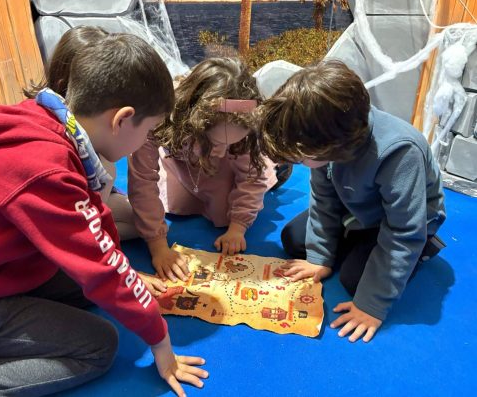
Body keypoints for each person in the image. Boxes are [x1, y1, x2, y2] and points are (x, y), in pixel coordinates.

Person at [0, 33, 208, 397]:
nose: (146, 140)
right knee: (99, 345)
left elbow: (93, 235)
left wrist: (128, 277)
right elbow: (102, 267)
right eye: (149, 130)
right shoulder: (46, 167)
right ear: (122, 119)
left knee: (81, 286)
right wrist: (161, 342)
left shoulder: (48, 123)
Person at [259, 60, 446, 343]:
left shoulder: (399, 152)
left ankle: (423, 249)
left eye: (302, 158)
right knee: (295, 240)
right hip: (355, 204)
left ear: (334, 145)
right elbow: (323, 198)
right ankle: (353, 241)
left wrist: (372, 305)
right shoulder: (325, 139)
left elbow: (404, 231)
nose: (299, 163)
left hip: (403, 221)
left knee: (355, 281)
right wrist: (319, 257)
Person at [128, 57, 277, 282]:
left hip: (228, 166)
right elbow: (142, 180)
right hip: (182, 163)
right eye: (215, 142)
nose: (220, 150)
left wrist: (237, 228)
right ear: (192, 122)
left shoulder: (243, 129)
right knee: (176, 205)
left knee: (225, 212)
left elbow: (250, 176)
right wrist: (158, 246)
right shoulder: (160, 117)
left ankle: (275, 168)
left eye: (231, 143)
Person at [25, 25, 138, 241]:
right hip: (70, 211)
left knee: (142, 222)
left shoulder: (96, 133)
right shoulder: (53, 131)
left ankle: (99, 234)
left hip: (95, 200)